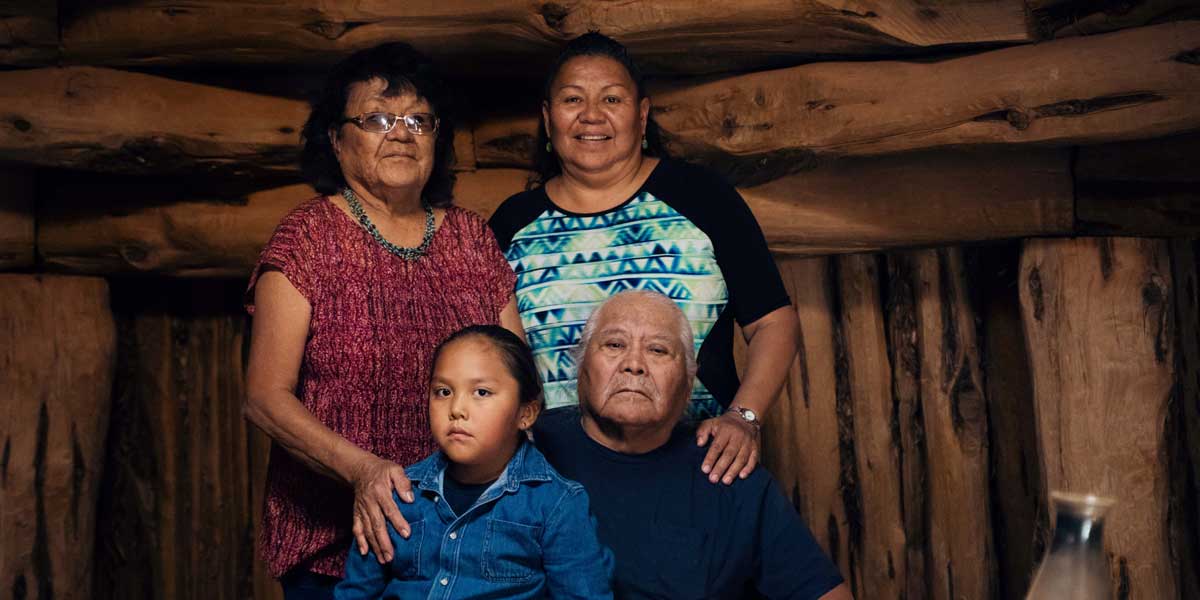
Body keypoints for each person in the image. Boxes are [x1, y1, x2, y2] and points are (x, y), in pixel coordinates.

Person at [244, 43, 521, 598]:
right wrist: (363, 471)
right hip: (335, 548)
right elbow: (265, 398)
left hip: (464, 546)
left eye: (418, 119)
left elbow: (514, 382)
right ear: (336, 139)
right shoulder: (308, 238)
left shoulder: (472, 239)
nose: (401, 133)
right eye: (376, 118)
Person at [489, 32, 800, 487]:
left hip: (700, 468)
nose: (591, 115)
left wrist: (744, 418)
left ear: (642, 114)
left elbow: (774, 322)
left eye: (611, 98)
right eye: (572, 99)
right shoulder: (511, 225)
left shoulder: (702, 197)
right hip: (555, 484)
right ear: (547, 117)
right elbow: (497, 360)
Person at [533, 290, 851, 600]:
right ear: (580, 367)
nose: (634, 364)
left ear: (688, 383)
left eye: (658, 350)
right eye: (615, 344)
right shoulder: (529, 447)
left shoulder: (726, 468)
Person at [334, 325, 613, 599]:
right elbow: (356, 592)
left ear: (525, 413)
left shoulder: (557, 505)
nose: (456, 409)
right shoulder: (396, 495)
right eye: (443, 392)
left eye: (481, 392)